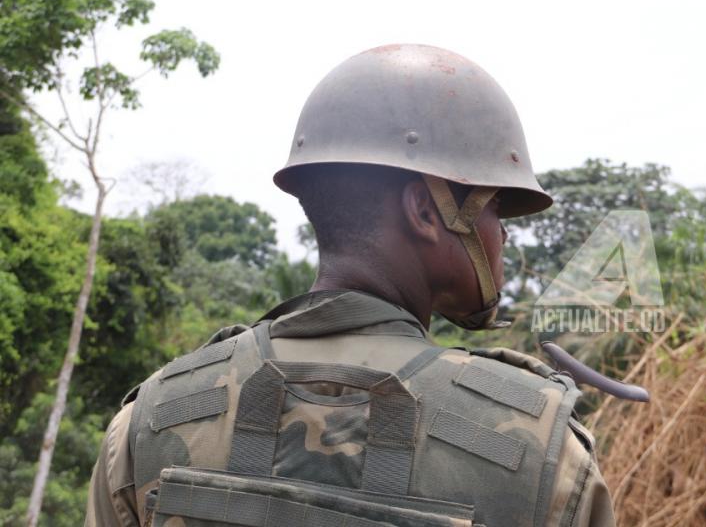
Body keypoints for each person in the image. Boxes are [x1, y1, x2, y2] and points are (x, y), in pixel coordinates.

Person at [86, 44, 615, 526]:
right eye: (496, 205)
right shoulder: (544, 451)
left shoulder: (149, 420)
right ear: (427, 211)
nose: (500, 232)